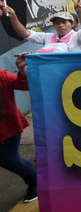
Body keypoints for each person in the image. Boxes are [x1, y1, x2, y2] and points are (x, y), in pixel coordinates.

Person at [0, 53, 37, 203]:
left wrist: (22, 70)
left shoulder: (2, 76)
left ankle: (35, 183)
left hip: (7, 131)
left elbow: (24, 85)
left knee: (10, 160)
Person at [7, 0, 81, 52]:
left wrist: (79, 12)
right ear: (54, 26)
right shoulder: (48, 37)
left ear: (72, 24)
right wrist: (13, 16)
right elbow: (24, 33)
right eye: (57, 23)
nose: (61, 25)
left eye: (64, 22)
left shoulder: (77, 37)